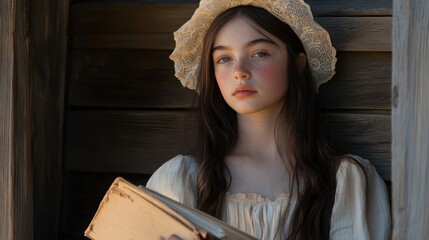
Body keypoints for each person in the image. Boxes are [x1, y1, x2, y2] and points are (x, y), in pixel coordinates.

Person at [146, 0, 391, 239]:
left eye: (259, 53)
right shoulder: (179, 182)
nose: (239, 71)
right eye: (224, 58)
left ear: (297, 63)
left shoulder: (345, 182)